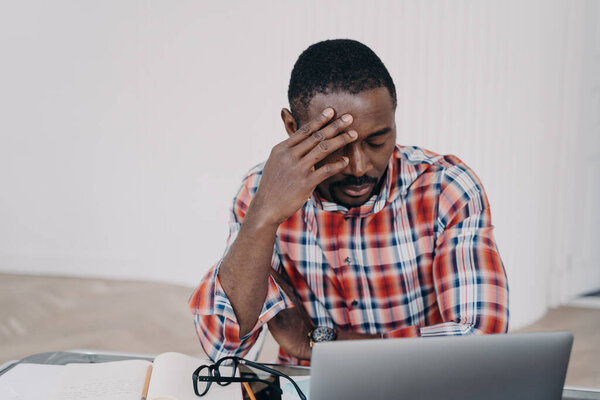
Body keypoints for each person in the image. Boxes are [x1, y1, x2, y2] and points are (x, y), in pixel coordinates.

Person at [189, 39, 509, 366]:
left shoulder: (446, 188)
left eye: (377, 141)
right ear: (291, 128)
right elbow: (225, 350)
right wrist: (261, 219)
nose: (359, 168)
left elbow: (479, 346)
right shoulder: (261, 192)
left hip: (422, 386)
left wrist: (320, 343)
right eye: (335, 144)